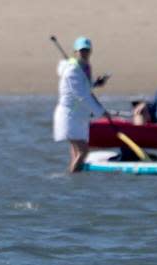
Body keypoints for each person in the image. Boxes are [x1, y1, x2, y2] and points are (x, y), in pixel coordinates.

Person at [53, 36, 110, 173]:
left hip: (78, 116)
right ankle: (70, 178)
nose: (84, 53)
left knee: (76, 152)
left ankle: (74, 182)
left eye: (86, 50)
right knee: (83, 151)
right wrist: (101, 113)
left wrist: (96, 83)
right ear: (75, 52)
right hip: (69, 116)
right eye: (81, 50)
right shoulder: (73, 70)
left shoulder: (83, 67)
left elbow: (84, 87)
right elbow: (82, 95)